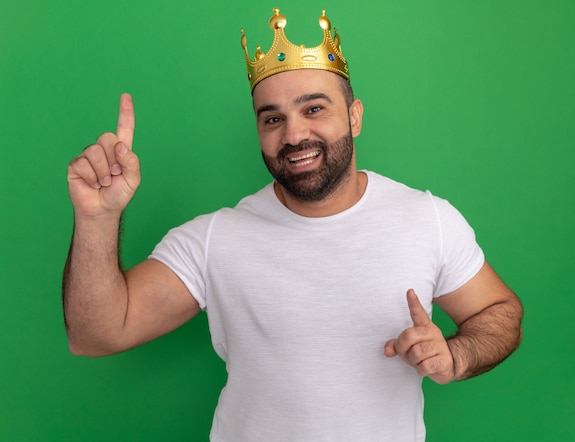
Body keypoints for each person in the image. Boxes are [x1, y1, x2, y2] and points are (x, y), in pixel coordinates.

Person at [63, 8, 523, 442]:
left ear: (355, 116)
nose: (294, 134)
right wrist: (97, 218)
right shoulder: (215, 239)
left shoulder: (427, 219)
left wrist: (455, 356)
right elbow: (97, 334)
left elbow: (500, 313)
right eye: (273, 118)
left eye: (315, 109)